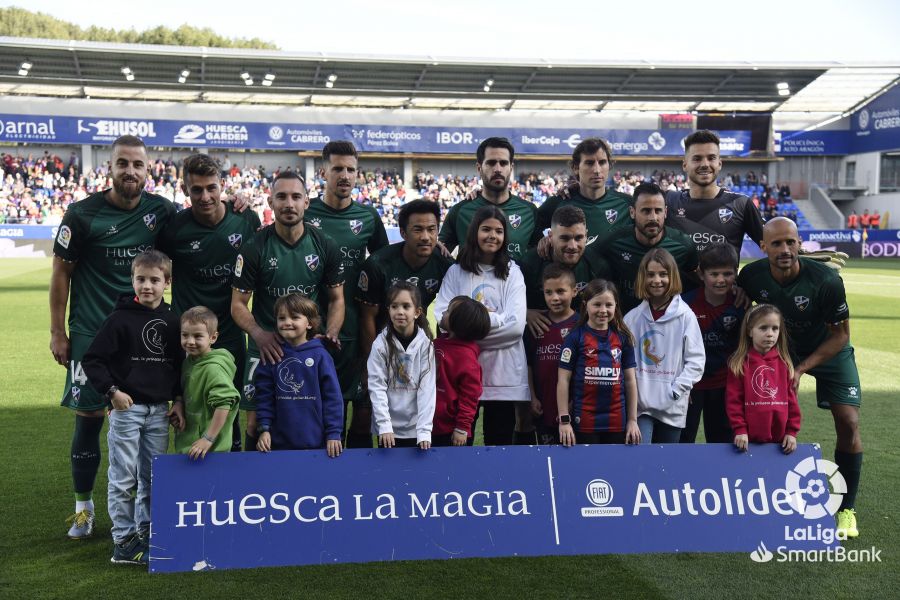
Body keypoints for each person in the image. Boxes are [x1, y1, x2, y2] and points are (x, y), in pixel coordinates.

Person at [50, 135, 176, 539]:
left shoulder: (161, 211)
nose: (130, 171)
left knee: (144, 418)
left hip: (140, 335)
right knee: (88, 417)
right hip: (90, 331)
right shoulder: (81, 214)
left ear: (148, 169)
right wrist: (57, 331)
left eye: (138, 165)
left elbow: (200, 222)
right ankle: (83, 509)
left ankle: (144, 513)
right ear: (110, 167)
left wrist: (238, 206)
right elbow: (61, 274)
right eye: (123, 163)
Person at [738, 217, 863, 538]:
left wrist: (802, 368)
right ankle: (766, 498)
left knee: (849, 422)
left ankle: (846, 509)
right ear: (762, 246)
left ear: (799, 242)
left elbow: (841, 337)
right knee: (766, 421)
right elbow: (744, 309)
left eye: (791, 242)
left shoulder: (826, 281)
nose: (785, 249)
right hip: (781, 351)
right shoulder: (751, 276)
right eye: (776, 243)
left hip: (827, 350)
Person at [81, 250, 183, 565]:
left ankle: (147, 531)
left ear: (167, 282)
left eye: (154, 280)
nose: (147, 286)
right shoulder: (119, 318)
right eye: (141, 279)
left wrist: (178, 400)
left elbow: (180, 367)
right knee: (124, 476)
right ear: (132, 280)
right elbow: (93, 360)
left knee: (153, 476)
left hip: (158, 411)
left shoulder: (173, 320)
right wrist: (112, 392)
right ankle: (123, 541)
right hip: (127, 409)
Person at [231, 171, 344, 450]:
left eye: (296, 197)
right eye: (281, 196)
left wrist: (329, 334)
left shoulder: (324, 245)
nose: (289, 203)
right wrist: (259, 334)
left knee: (309, 415)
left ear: (307, 202)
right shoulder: (255, 247)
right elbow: (237, 305)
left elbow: (337, 299)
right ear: (270, 202)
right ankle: (255, 487)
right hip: (265, 346)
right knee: (256, 422)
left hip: (306, 346)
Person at [157, 153, 260, 451]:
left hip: (229, 331)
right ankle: (193, 475)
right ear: (185, 190)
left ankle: (232, 467)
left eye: (211, 188)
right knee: (189, 405)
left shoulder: (245, 219)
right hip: (188, 334)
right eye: (196, 190)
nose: (205, 196)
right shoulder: (175, 229)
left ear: (222, 185)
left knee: (229, 403)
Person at [305, 141, 389, 449]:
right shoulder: (305, 211)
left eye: (351, 169)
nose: (344, 175)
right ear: (324, 171)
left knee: (364, 405)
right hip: (312, 329)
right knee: (321, 406)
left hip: (360, 325)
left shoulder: (368, 217)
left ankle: (358, 483)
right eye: (338, 168)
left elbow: (386, 266)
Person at [434, 205, 529, 446]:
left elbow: (516, 328)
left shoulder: (512, 273)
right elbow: (443, 319)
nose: (492, 236)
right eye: (486, 229)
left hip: (503, 375)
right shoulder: (456, 272)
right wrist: (498, 319)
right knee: (457, 445)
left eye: (498, 231)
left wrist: (465, 332)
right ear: (474, 231)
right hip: (459, 375)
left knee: (499, 446)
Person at [624, 248, 705, 443]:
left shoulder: (686, 316)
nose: (656, 280)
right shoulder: (632, 318)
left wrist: (677, 390)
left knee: (666, 468)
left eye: (663, 274)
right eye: (650, 275)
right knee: (641, 462)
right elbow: (624, 362)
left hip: (672, 407)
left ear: (673, 277)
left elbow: (696, 361)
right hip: (640, 407)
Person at [357, 199, 453, 361]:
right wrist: (371, 363)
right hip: (382, 341)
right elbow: (367, 318)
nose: (425, 237)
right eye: (418, 230)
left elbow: (447, 314)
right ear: (403, 233)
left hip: (420, 343)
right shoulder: (377, 264)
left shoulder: (445, 264)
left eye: (431, 229)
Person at [254, 294, 343, 457]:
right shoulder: (272, 355)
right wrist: (264, 429)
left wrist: (333, 433)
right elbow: (264, 397)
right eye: (282, 318)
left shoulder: (320, 356)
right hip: (278, 446)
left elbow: (333, 397)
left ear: (309, 323)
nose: (287, 322)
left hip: (317, 444)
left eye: (294, 317)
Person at [589, 182, 698, 313]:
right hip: (625, 321)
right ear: (632, 212)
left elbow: (695, 282)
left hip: (667, 323)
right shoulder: (613, 240)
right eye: (646, 211)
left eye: (658, 211)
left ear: (666, 212)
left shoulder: (684, 245)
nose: (653, 217)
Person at [557, 279, 640, 446]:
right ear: (585, 305)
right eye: (597, 305)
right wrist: (564, 421)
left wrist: (632, 420)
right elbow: (563, 381)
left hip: (617, 421)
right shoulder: (575, 338)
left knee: (614, 469)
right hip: (585, 420)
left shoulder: (623, 339)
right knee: (588, 470)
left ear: (615, 306)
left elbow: (630, 381)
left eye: (608, 305)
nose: (603, 310)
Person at [679, 243, 745, 443]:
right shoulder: (685, 304)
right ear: (701, 274)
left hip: (724, 384)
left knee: (722, 441)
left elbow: (745, 346)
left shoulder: (741, 304)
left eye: (727, 274)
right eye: (714, 274)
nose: (720, 280)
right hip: (691, 386)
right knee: (683, 439)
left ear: (736, 273)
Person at [665, 130, 765, 257]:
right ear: (685, 164)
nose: (705, 164)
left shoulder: (741, 205)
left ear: (719, 163)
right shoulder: (668, 201)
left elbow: (775, 244)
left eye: (711, 158)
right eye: (697, 159)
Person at [439, 137, 538, 262]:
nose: (497, 169)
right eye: (491, 163)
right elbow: (440, 254)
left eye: (503, 163)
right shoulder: (460, 211)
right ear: (479, 168)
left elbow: (540, 255)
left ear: (511, 168)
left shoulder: (529, 211)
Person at [520, 205, 610, 337]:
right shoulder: (529, 264)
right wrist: (524, 313)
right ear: (550, 236)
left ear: (586, 236)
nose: (572, 246)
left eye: (579, 238)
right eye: (564, 238)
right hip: (539, 342)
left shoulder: (598, 266)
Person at [367, 282, 436, 449]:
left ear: (417, 312)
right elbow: (377, 387)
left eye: (406, 306)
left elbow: (427, 390)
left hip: (416, 430)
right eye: (394, 306)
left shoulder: (426, 346)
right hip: (388, 431)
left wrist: (424, 430)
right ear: (388, 310)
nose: (400, 312)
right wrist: (384, 425)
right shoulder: (379, 345)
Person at [726, 304, 801, 454]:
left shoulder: (785, 364)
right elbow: (733, 402)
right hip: (746, 441)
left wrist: (791, 432)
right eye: (763, 328)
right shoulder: (739, 364)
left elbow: (792, 402)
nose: (770, 334)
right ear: (750, 331)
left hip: (780, 444)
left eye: (775, 328)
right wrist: (740, 429)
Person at [534, 137, 632, 252]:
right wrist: (543, 239)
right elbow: (530, 237)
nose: (597, 170)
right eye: (589, 163)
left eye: (602, 162)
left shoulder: (627, 204)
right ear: (576, 168)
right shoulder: (558, 202)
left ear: (609, 166)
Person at [173, 306, 240, 459]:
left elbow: (224, 404)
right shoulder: (189, 362)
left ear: (213, 338)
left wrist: (208, 439)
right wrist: (179, 404)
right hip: (191, 446)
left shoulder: (213, 369)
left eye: (197, 336)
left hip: (211, 451)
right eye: (185, 335)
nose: (190, 342)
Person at [524, 264, 580, 445]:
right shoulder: (537, 324)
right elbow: (529, 365)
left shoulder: (581, 325)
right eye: (549, 292)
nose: (555, 298)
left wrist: (576, 401)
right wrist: (532, 397)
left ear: (574, 291)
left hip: (575, 410)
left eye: (561, 291)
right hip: (544, 409)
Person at [432, 297, 491, 447]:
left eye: (448, 311)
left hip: (450, 430)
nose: (443, 313)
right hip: (428, 423)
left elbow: (470, 397)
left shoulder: (467, 358)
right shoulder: (437, 344)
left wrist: (462, 428)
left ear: (459, 322)